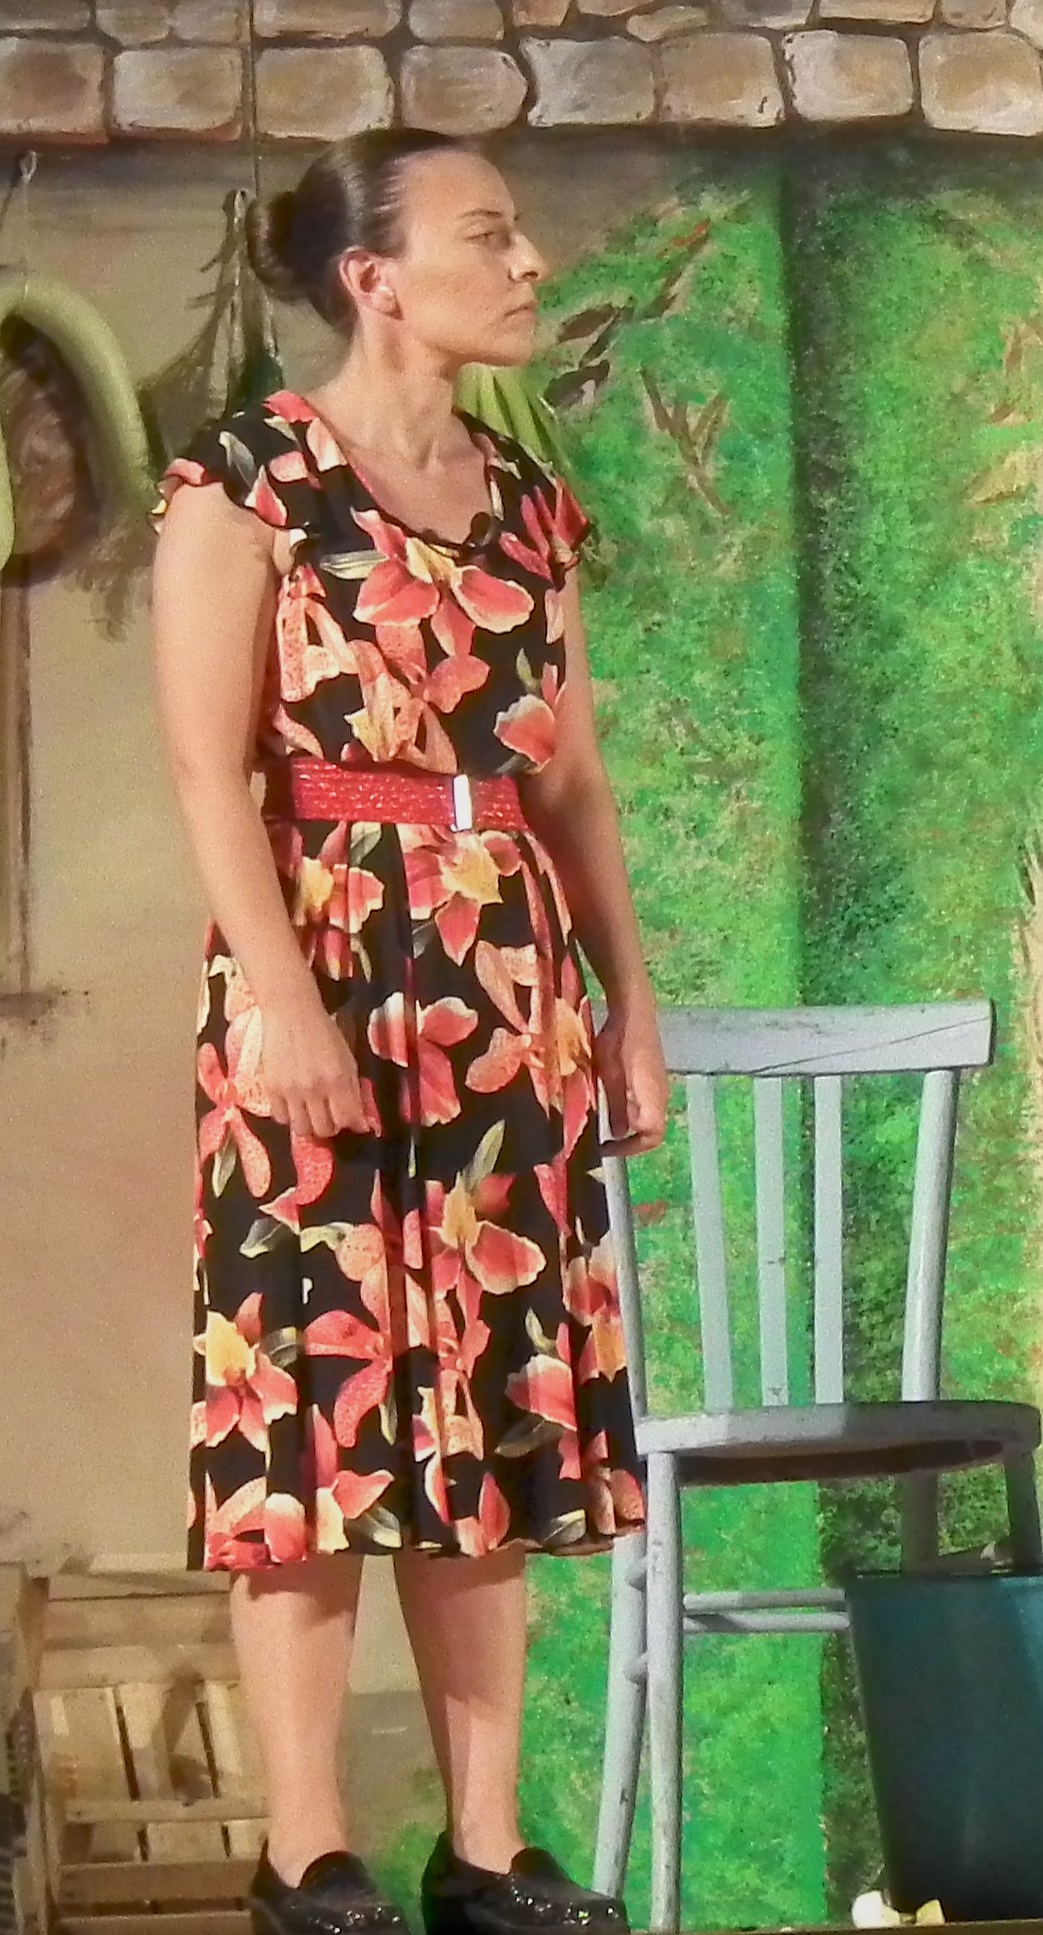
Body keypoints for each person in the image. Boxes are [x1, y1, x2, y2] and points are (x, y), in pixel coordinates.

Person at [154, 133, 666, 1935]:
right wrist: (283, 1004)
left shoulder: (526, 502)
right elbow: (210, 772)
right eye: (489, 235)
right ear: (374, 277)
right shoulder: (248, 482)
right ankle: (307, 1846)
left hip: (505, 981)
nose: (529, 264)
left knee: (495, 1398)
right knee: (312, 1402)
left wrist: (628, 1000)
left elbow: (571, 776)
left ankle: (489, 1844)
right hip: (325, 964)